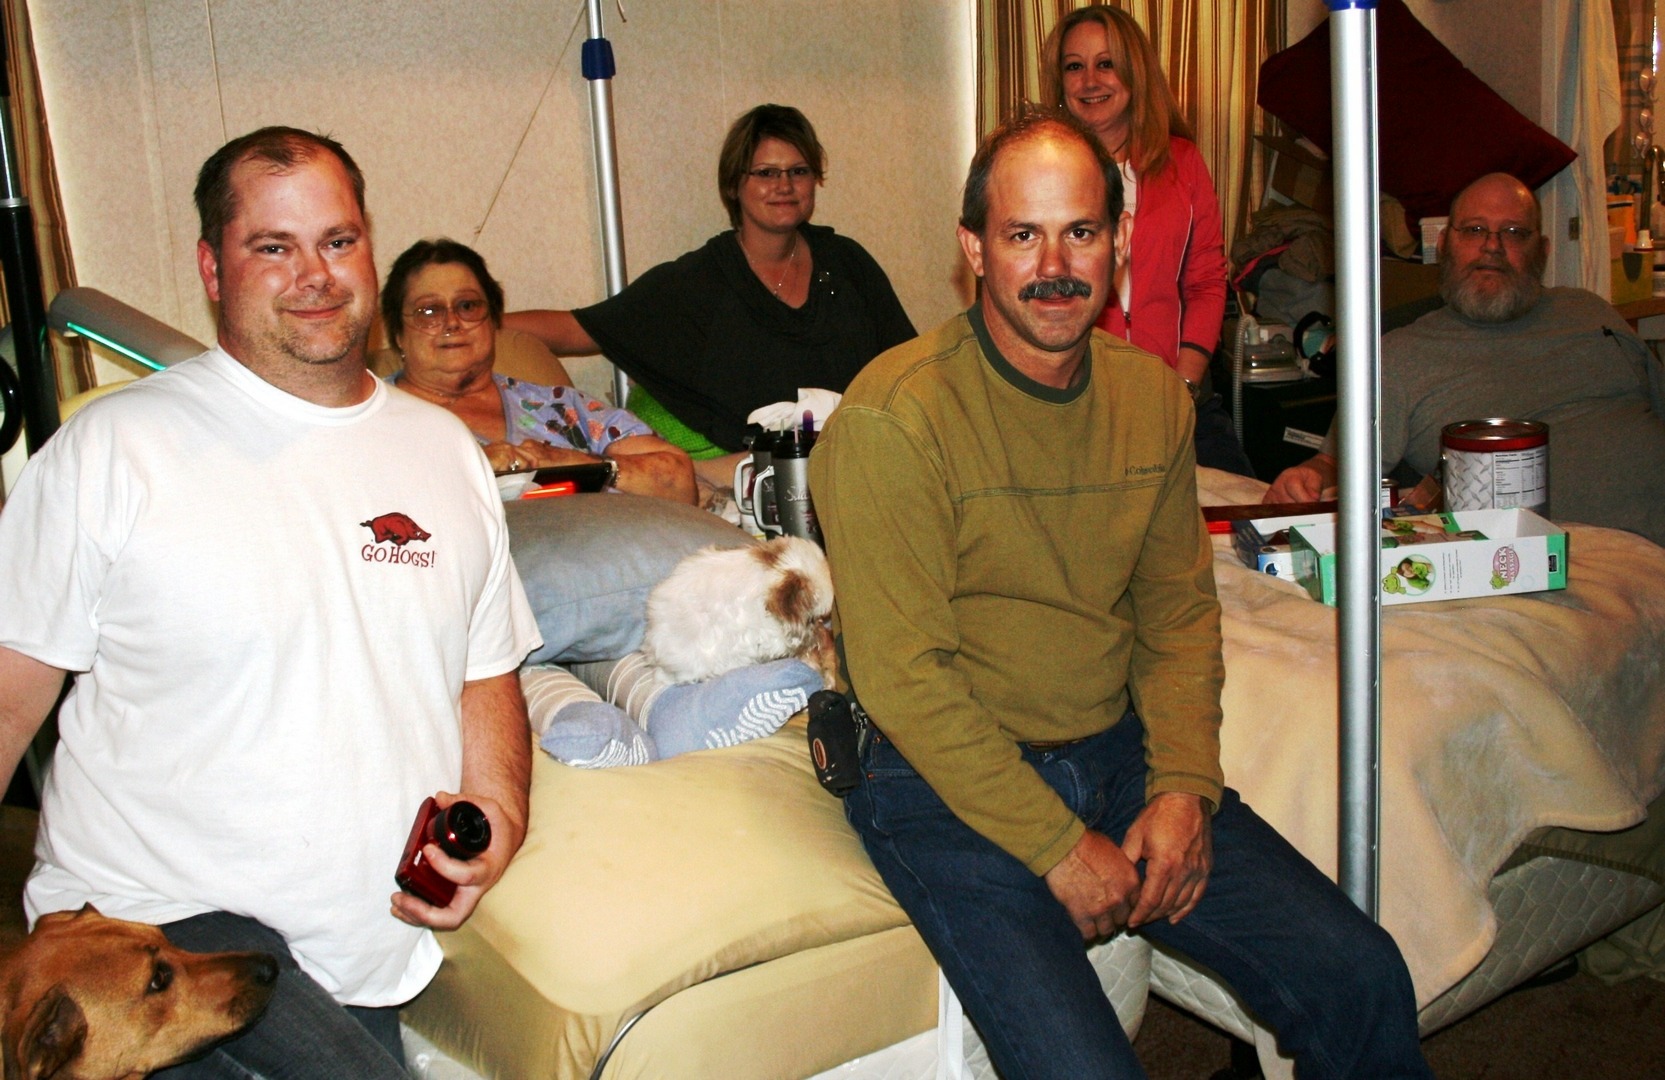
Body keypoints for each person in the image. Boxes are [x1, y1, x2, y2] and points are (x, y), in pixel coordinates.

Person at [809, 109, 1430, 1078]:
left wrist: (1182, 787)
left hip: (1113, 750)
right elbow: (902, 677)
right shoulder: (893, 419)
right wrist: (1057, 845)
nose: (1055, 264)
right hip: (937, 779)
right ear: (974, 250)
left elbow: (1177, 618)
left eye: (1081, 232)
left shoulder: (1150, 399)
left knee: (1361, 974)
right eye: (1023, 234)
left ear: (1121, 240)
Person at [0, 127, 541, 1077]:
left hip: (360, 961)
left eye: (337, 241)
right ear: (213, 268)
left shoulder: (443, 451)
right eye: (273, 247)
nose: (315, 276)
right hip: (156, 949)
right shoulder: (113, 452)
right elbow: (8, 701)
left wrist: (495, 820)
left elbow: (483, 672)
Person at [503, 103, 916, 488]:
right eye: (766, 173)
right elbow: (576, 329)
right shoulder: (697, 282)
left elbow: (908, 368)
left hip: (866, 469)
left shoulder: (847, 263)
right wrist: (473, 320)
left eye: (798, 171)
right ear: (734, 184)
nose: (784, 185)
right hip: (757, 486)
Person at [1263, 173, 1665, 548]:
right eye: (1474, 230)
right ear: (1444, 245)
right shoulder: (1398, 357)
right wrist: (1308, 477)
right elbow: (1335, 464)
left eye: (1514, 232)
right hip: (1545, 559)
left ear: (1542, 251)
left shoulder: (1590, 312)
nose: (1492, 246)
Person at [1043, 4, 1254, 476]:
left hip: (1180, 392)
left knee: (1245, 507)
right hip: (1082, 403)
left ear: (1135, 73)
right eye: (1074, 67)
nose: (1090, 81)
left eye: (1106, 63)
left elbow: (1206, 282)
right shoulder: (1045, 170)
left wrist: (1184, 386)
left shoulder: (1183, 162)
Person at [381, 238, 698, 504]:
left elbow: (680, 482)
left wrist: (571, 462)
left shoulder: (560, 406)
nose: (452, 322)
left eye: (468, 306)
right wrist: (474, 468)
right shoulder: (374, 416)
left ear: (493, 321)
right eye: (428, 311)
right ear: (398, 333)